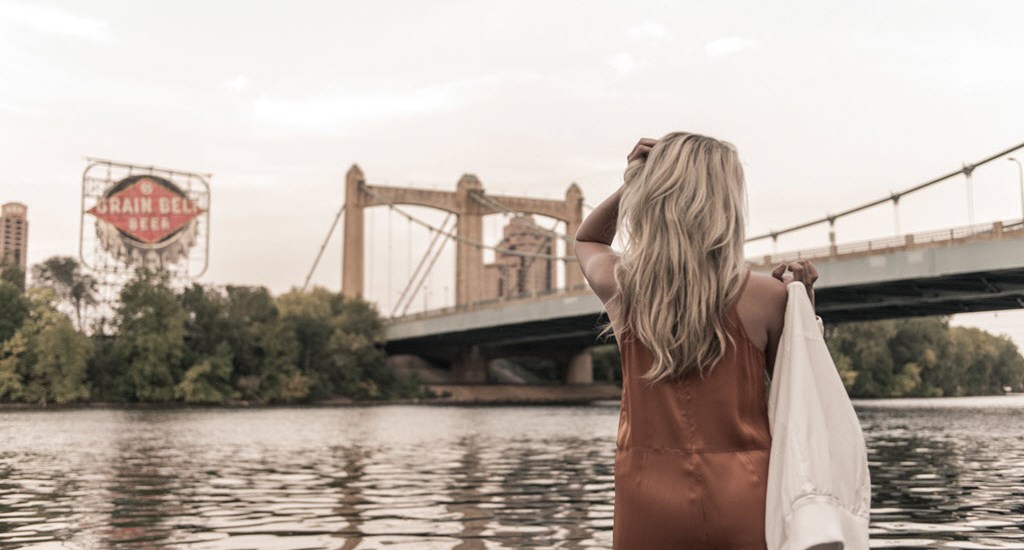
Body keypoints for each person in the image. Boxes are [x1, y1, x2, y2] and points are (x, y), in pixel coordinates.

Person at [572, 132, 818, 549]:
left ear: (657, 199)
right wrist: (803, 305)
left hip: (646, 497)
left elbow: (587, 240)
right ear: (726, 205)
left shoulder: (624, 289)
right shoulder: (768, 296)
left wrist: (631, 183)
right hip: (746, 495)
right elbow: (804, 391)